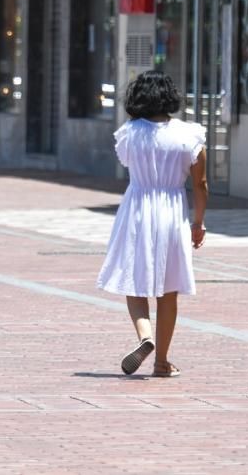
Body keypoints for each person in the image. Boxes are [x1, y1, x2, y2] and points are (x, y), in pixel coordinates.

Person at [97, 71, 208, 378]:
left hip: (137, 207)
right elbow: (201, 184)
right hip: (172, 210)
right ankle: (161, 362)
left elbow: (128, 162)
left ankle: (144, 335)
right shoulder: (190, 134)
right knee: (168, 288)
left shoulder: (129, 134)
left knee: (134, 278)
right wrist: (199, 222)